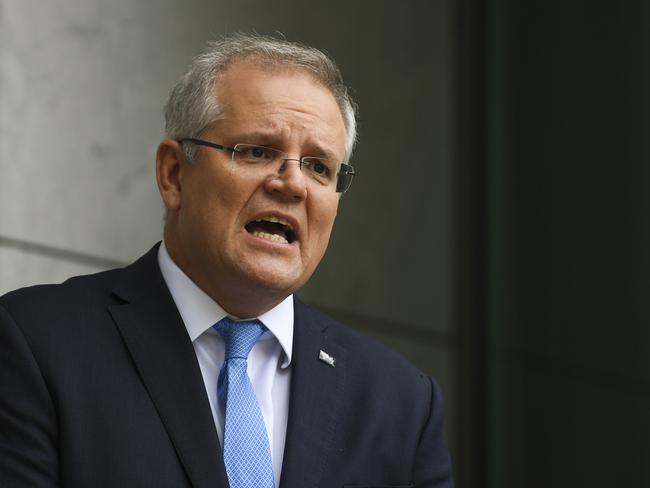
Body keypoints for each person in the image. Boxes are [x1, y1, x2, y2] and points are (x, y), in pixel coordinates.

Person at [0, 34, 453, 487]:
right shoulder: (36, 344)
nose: (293, 184)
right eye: (257, 151)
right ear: (174, 174)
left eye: (319, 167)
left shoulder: (401, 403)